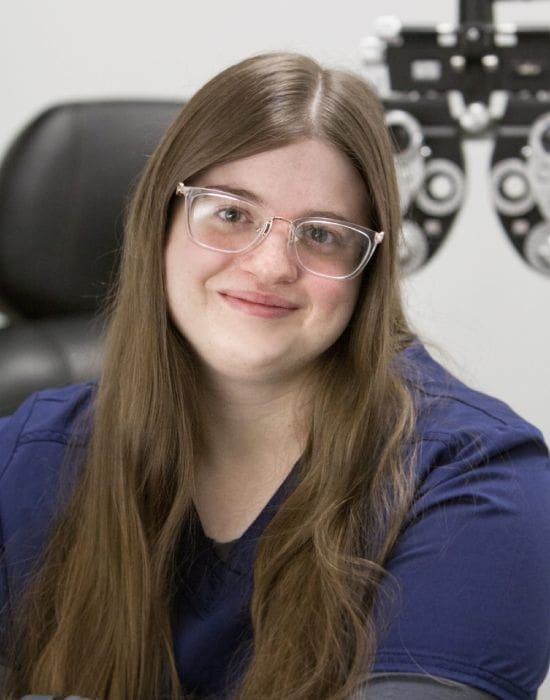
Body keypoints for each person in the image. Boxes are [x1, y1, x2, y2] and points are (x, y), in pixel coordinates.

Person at [0, 52, 549, 700]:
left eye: (321, 233)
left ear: (368, 268)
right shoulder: (29, 457)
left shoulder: (479, 482)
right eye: (230, 214)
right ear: (162, 223)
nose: (269, 266)